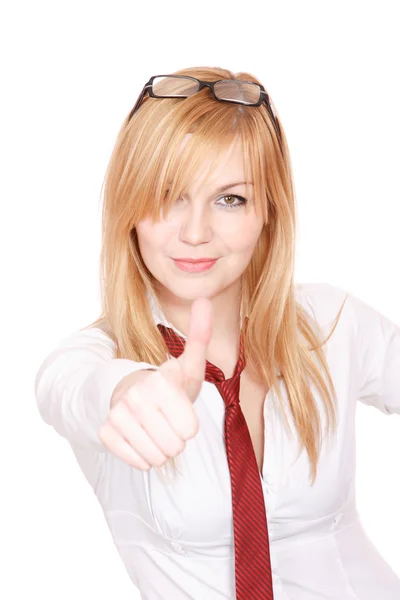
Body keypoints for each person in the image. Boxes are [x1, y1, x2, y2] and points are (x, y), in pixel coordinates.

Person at [34, 66, 400, 600]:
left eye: (231, 199)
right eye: (167, 194)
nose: (196, 232)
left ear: (268, 211)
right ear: (128, 209)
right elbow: (70, 388)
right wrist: (127, 392)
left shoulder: (332, 323)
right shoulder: (94, 357)